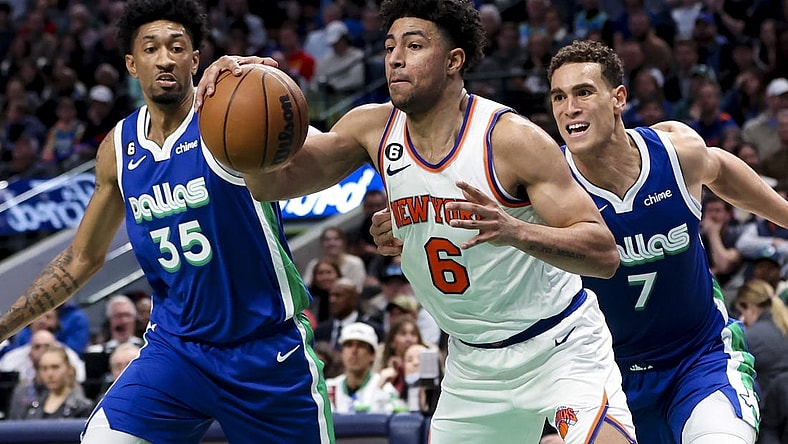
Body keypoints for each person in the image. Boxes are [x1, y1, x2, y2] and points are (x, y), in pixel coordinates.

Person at [195, 1, 637, 442]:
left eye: (414, 45)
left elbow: (602, 252)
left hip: (558, 347)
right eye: (389, 47)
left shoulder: (509, 138)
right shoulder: (371, 128)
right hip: (471, 366)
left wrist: (516, 230)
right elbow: (273, 184)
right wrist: (240, 108)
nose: (395, 58)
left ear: (453, 61)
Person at [0, 0, 333, 442]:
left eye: (177, 47)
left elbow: (332, 151)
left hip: (264, 352)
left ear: (195, 60)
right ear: (131, 64)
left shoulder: (233, 116)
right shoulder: (118, 147)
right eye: (151, 48)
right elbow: (81, 257)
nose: (164, 58)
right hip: (177, 351)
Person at [542, 39, 788, 443]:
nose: (569, 108)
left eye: (584, 92)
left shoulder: (674, 153)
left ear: (618, 97)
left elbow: (720, 167)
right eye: (559, 97)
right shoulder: (550, 186)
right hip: (601, 371)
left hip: (698, 358)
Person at [7, 345, 93, 420]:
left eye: (55, 367)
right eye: (44, 368)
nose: (49, 374)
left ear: (69, 369)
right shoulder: (31, 406)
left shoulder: (82, 407)